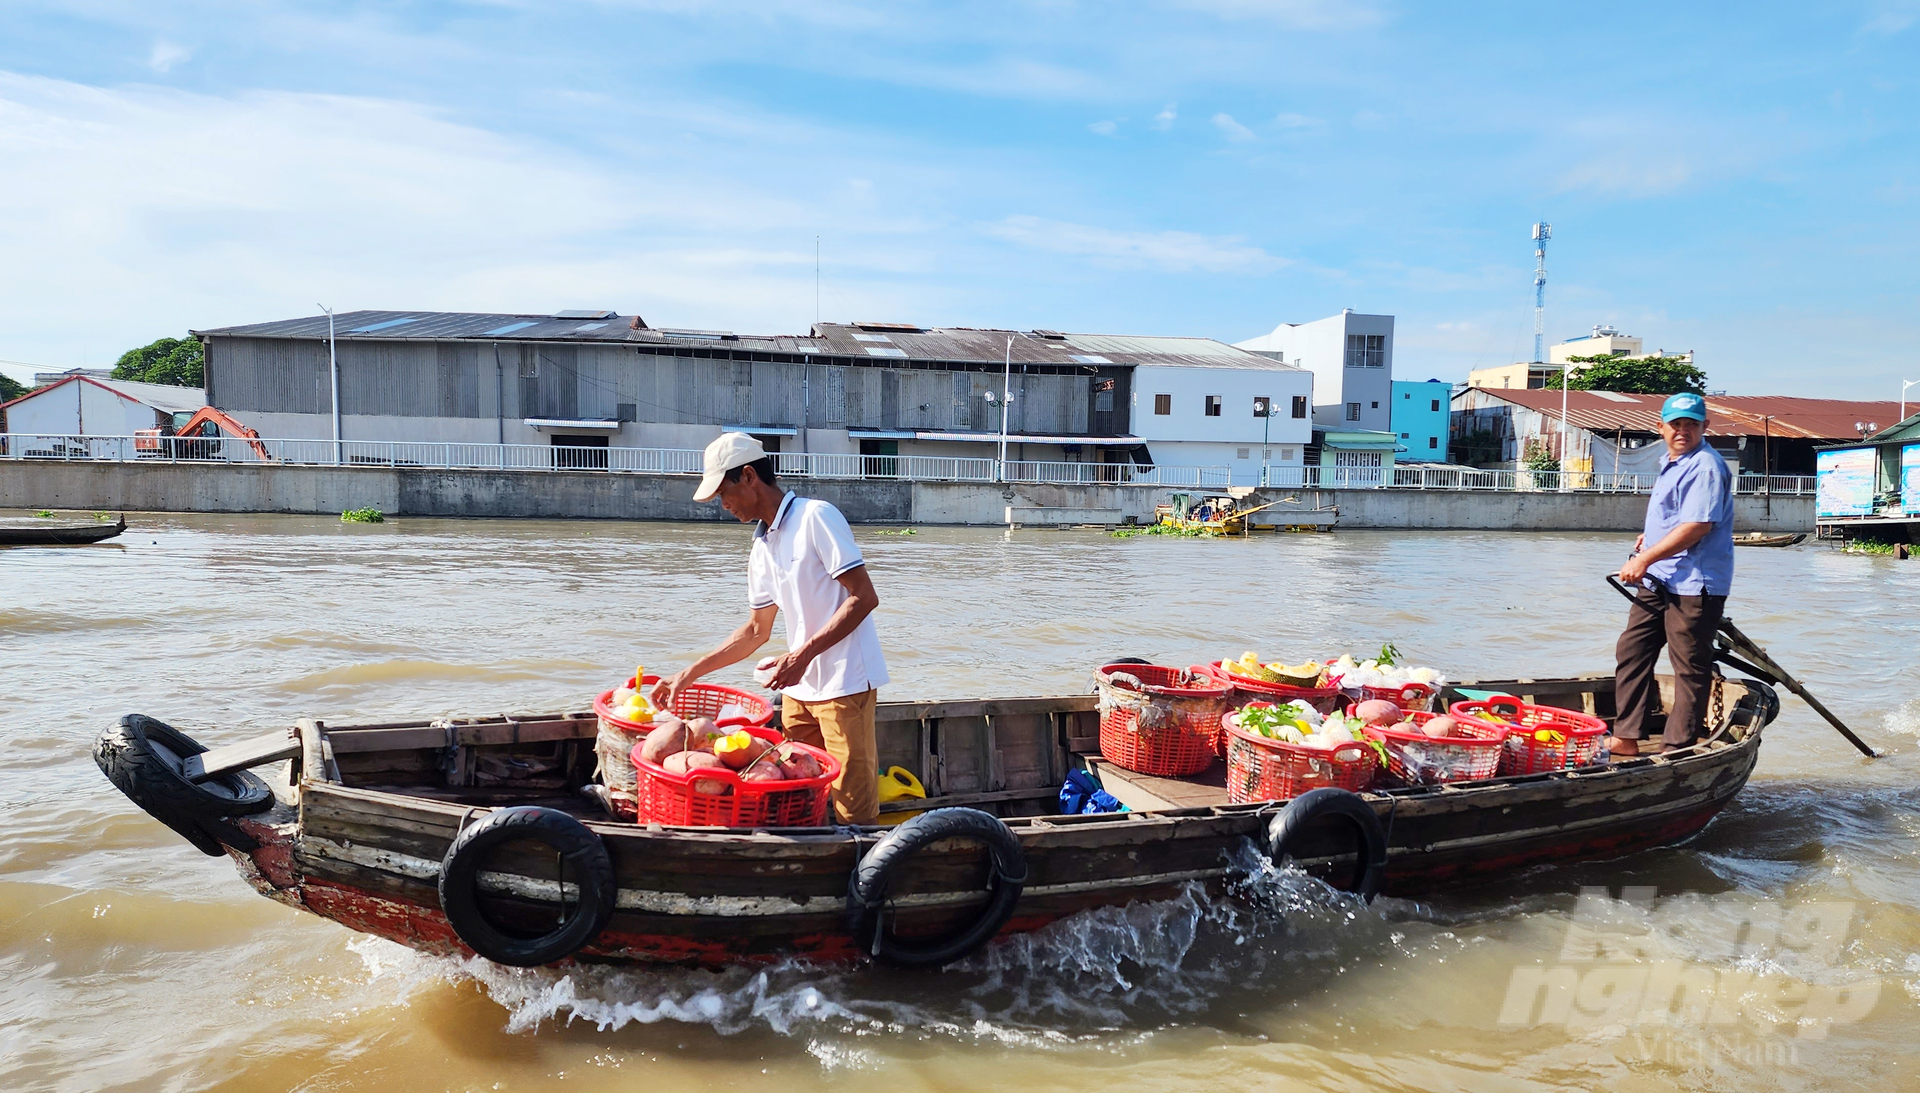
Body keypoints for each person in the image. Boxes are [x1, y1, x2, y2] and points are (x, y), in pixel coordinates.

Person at [652, 433, 887, 823]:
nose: (722, 505)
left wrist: (801, 656)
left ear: (748, 476)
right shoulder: (762, 547)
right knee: (796, 793)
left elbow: (864, 597)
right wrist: (687, 674)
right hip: (798, 688)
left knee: (852, 805)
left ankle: (861, 871)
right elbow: (755, 631)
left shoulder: (815, 517)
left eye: (723, 493)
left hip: (845, 683)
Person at [1610, 392, 1735, 757]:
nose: (1683, 431)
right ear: (1660, 427)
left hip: (1695, 583)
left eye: (1691, 424)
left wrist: (1644, 558)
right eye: (1676, 424)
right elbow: (1676, 516)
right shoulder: (1674, 461)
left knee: (1689, 666)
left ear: (1705, 427)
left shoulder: (1706, 466)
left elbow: (1697, 526)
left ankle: (1676, 749)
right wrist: (1651, 537)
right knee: (1632, 650)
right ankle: (1625, 736)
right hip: (1660, 576)